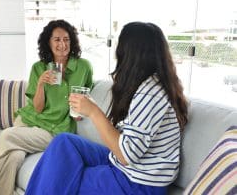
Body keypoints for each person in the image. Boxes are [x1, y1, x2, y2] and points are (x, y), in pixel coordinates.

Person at [24, 21, 188, 195]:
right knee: (64, 141)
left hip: (138, 182)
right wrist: (92, 107)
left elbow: (126, 156)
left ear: (133, 53)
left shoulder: (150, 93)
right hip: (125, 165)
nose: (118, 53)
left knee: (64, 176)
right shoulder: (147, 84)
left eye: (120, 46)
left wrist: (94, 112)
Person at [0, 19, 93, 195]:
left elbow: (84, 96)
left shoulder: (84, 67)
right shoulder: (39, 68)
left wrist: (80, 112)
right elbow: (37, 108)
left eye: (66, 39)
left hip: (55, 130)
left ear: (72, 41)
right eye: (57, 40)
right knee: (14, 157)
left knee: (7, 136)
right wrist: (41, 85)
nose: (62, 44)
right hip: (29, 120)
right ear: (48, 42)